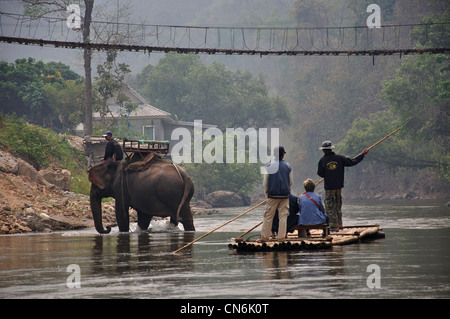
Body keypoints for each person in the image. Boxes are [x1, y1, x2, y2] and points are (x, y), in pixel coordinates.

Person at [317, 141, 368, 231]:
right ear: (331, 149)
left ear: (324, 150)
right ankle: (339, 224)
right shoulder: (340, 158)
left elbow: (320, 174)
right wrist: (362, 155)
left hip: (329, 188)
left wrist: (328, 173)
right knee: (338, 205)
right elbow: (353, 162)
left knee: (330, 206)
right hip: (338, 187)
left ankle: (334, 226)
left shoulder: (322, 161)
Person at [259, 146, 293, 242]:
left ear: (274, 154)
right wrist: (287, 191)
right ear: (283, 154)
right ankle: (281, 238)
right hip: (285, 196)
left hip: (272, 196)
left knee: (268, 216)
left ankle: (265, 238)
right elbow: (291, 182)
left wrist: (267, 194)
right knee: (283, 217)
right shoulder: (288, 166)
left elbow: (265, 183)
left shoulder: (268, 166)